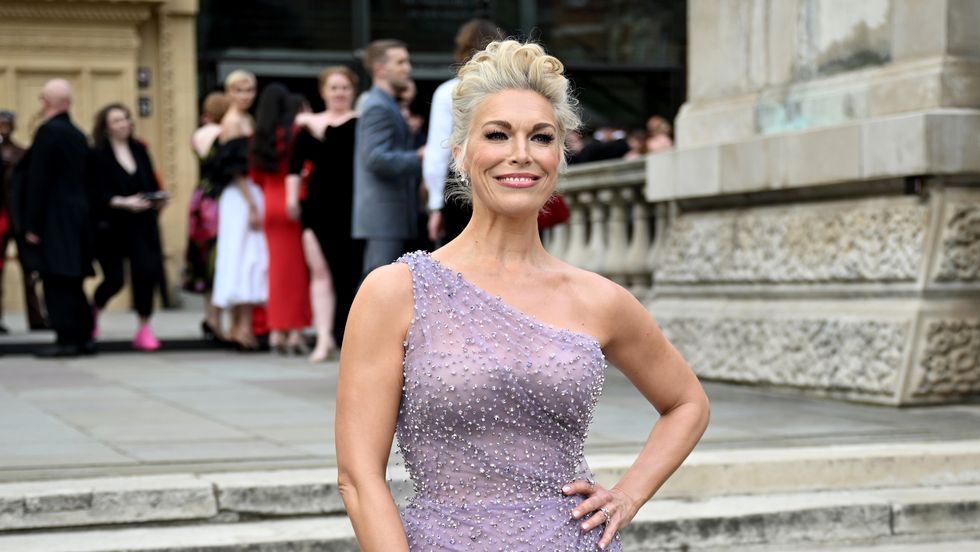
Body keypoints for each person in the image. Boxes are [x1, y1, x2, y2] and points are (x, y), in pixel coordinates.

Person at [336, 40, 710, 551]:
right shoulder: (395, 292)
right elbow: (359, 479)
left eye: (541, 136)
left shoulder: (599, 299)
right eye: (497, 134)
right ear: (461, 152)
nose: (521, 153)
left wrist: (628, 494)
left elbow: (687, 402)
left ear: (559, 155)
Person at [288, 66, 363, 361]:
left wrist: (319, 127)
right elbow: (294, 167)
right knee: (319, 273)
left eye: (344, 87)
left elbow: (343, 151)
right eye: (334, 87)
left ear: (352, 91)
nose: (339, 93)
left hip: (349, 208)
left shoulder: (360, 122)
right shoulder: (307, 126)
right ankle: (323, 338)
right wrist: (292, 199)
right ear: (323, 91)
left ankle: (345, 338)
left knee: (348, 275)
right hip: (317, 206)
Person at [21, 79, 95, 357]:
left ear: (47, 102)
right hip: (78, 218)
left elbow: (37, 181)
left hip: (54, 219)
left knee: (56, 280)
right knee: (73, 281)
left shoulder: (47, 132)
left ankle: (67, 340)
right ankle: (83, 337)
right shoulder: (77, 134)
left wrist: (32, 225)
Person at [88, 103, 167, 351]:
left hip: (142, 224)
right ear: (106, 127)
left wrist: (157, 198)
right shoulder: (97, 155)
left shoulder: (140, 150)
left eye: (126, 119)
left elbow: (151, 182)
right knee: (114, 279)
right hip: (111, 226)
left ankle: (144, 328)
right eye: (117, 121)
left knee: (146, 274)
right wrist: (122, 202)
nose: (124, 124)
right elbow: (94, 193)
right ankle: (93, 312)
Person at [423, 18, 502, 246]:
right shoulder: (510, 91)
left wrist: (436, 205)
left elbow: (438, 152)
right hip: (501, 178)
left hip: (461, 184)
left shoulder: (449, 92)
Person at [352, 39, 425, 278]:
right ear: (380, 69)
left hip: (390, 216)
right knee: (377, 286)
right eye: (400, 62)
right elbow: (375, 158)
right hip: (383, 217)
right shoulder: (377, 106)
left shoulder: (385, 104)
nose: (408, 68)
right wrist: (419, 157)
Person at [250, 82, 310, 355]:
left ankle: (276, 332)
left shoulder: (259, 137)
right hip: (292, 203)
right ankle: (295, 332)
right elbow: (304, 169)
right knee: (297, 273)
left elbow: (256, 177)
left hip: (269, 205)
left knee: (275, 272)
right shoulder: (295, 134)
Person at [210, 69, 266, 350]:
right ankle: (241, 328)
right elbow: (235, 171)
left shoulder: (246, 119)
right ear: (229, 92)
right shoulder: (232, 122)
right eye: (239, 90)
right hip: (241, 198)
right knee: (242, 257)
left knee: (249, 257)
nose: (245, 95)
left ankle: (240, 327)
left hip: (247, 195)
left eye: (250, 90)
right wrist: (252, 203)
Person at [184, 91, 230, 342]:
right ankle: (215, 320)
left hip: (199, 198)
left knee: (204, 259)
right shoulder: (222, 134)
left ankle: (210, 317)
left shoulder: (198, 134)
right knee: (218, 259)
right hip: (217, 201)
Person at [2, 109, 44, 333]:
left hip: (19, 219)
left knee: (31, 272)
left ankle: (37, 318)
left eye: (7, 123)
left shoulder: (21, 153)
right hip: (1, 220)